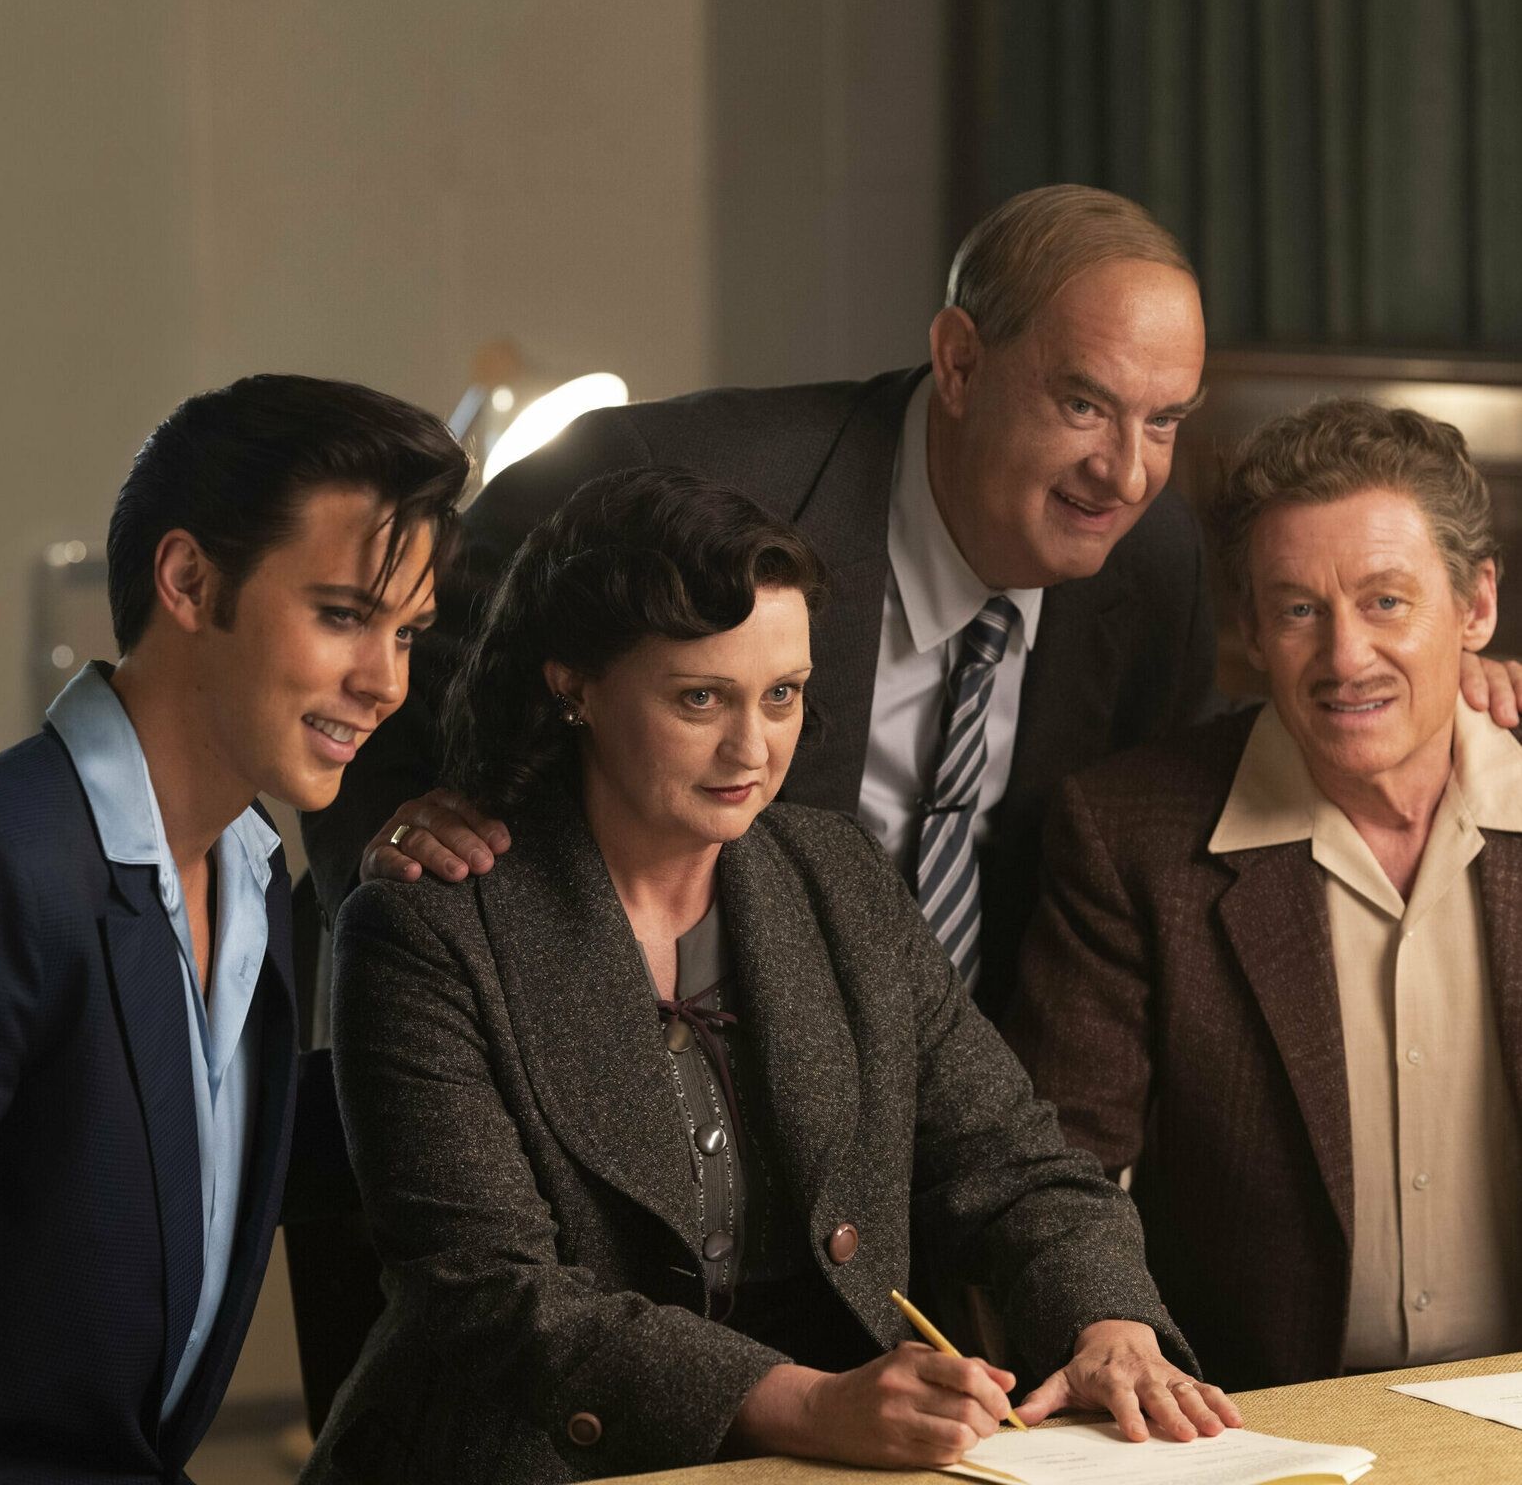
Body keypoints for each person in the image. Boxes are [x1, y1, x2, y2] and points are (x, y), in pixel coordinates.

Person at [301, 468, 1240, 1485]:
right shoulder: (426, 929)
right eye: (699, 697)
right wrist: (809, 1405)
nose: (751, 747)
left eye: (781, 694)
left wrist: (1108, 1324)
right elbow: (489, 1296)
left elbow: (1011, 1164)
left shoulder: (837, 878)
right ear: (573, 686)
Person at [0, 375, 468, 1484]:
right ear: (188, 581)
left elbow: (174, 1169)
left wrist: (481, 994)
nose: (384, 682)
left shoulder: (251, 873)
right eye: (342, 615)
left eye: (407, 633)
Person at [305, 184, 1215, 1020]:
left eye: (1164, 421)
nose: (1127, 476)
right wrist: (393, 836)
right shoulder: (667, 473)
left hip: (961, 1086)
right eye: (1083, 406)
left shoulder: (1155, 566)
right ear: (959, 362)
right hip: (638, 1053)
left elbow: (1122, 878)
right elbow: (386, 645)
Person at [1007, 399, 1522, 1391]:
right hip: (1257, 1421)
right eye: (1297, 610)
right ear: (1248, 628)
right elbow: (1054, 1161)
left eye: (1385, 602)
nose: (1344, 658)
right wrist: (1103, 1319)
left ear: (1475, 607)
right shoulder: (1130, 837)